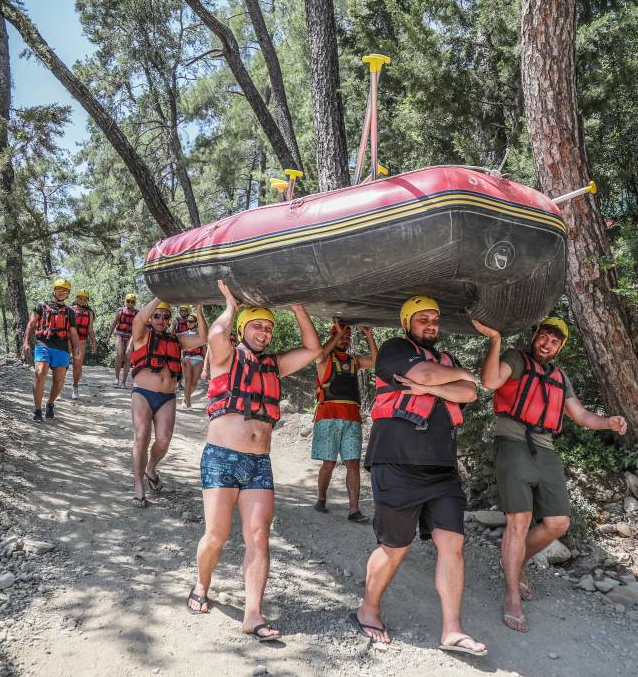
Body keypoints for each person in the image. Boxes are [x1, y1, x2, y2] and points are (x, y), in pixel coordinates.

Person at [474, 316, 628, 633]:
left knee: (558, 523)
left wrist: (608, 423)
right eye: (544, 337)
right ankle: (512, 596)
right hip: (512, 441)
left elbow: (582, 416)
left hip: (544, 447)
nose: (547, 344)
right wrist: (495, 341)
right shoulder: (516, 358)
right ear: (536, 337)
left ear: (559, 347)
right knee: (519, 520)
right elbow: (490, 382)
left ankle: (513, 565)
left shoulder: (559, 376)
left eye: (554, 341)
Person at [186, 280, 320, 644]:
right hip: (221, 459)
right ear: (243, 329)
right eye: (258, 326)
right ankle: (202, 582)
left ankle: (253, 614)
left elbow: (312, 348)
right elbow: (215, 333)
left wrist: (295, 307)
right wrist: (230, 306)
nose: (264, 332)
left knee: (259, 537)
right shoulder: (225, 357)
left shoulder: (274, 365)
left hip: (259, 464)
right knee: (216, 535)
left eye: (269, 327)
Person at [352, 295, 487, 657]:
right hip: (396, 461)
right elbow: (427, 374)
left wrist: (433, 387)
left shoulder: (449, 360)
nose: (430, 325)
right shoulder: (394, 350)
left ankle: (453, 630)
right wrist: (442, 382)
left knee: (452, 546)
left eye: (435, 319)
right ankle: (369, 608)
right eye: (423, 319)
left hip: (441, 467)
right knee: (395, 547)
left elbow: (470, 392)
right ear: (408, 322)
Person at [129, 298, 207, 507]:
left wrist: (198, 310)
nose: (161, 319)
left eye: (165, 316)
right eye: (157, 316)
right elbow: (138, 319)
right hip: (143, 393)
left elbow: (202, 338)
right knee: (141, 436)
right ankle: (138, 485)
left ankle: (150, 468)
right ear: (151, 317)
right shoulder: (141, 335)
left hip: (167, 397)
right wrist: (160, 297)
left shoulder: (177, 339)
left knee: (163, 439)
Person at [311, 319, 377, 522]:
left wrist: (369, 335)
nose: (345, 339)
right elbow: (320, 354)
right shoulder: (324, 359)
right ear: (333, 336)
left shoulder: (353, 360)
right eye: (341, 336)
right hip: (328, 416)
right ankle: (321, 498)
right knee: (329, 463)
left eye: (347, 337)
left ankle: (354, 510)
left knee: (353, 464)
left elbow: (376, 362)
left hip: (352, 418)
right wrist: (338, 333)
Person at [22, 278, 81, 422]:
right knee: (40, 372)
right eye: (59, 289)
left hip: (61, 347)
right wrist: (26, 343)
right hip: (43, 343)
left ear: (68, 294)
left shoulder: (70, 312)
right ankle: (37, 410)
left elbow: (73, 333)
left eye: (65, 291)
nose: (62, 292)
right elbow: (31, 325)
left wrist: (77, 346)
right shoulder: (41, 306)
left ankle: (50, 403)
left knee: (59, 381)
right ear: (54, 290)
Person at [70, 290, 96, 400]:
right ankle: (58, 384)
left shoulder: (89, 313)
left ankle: (75, 386)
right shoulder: (69, 309)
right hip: (68, 339)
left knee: (78, 366)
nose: (82, 300)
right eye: (80, 298)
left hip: (81, 341)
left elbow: (89, 329)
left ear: (87, 301)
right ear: (76, 298)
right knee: (61, 364)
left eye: (85, 299)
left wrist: (93, 342)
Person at [109, 293, 139, 388]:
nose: (130, 303)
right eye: (128, 301)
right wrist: (109, 335)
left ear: (135, 303)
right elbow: (114, 323)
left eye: (132, 302)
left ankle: (124, 382)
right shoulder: (120, 311)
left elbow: (139, 327)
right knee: (119, 354)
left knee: (128, 356)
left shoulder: (137, 313)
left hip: (131, 335)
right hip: (120, 333)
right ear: (125, 301)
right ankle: (116, 378)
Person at [180, 311, 206, 410]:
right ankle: (188, 405)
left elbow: (204, 349)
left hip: (198, 359)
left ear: (196, 323)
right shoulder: (184, 334)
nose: (189, 323)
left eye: (191, 321)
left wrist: (206, 363)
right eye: (188, 321)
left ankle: (185, 400)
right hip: (187, 359)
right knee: (188, 381)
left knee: (194, 383)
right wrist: (180, 358)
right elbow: (180, 347)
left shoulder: (200, 335)